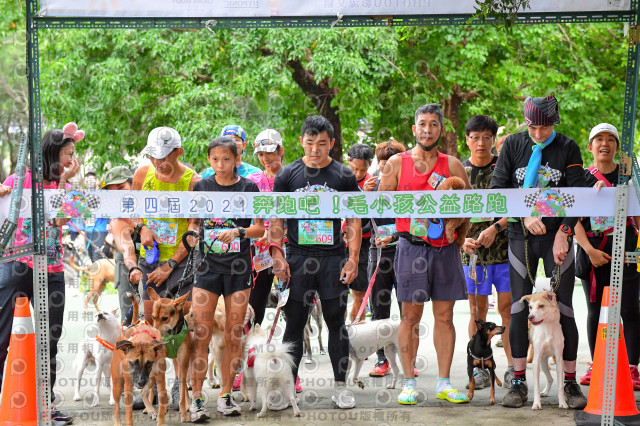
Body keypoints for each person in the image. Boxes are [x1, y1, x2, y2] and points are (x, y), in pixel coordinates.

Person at [490, 95, 587, 409]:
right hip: (521, 235)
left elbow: (578, 195)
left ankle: (569, 382)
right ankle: (518, 382)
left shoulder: (568, 147)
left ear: (554, 124)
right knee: (520, 309)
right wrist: (524, 214)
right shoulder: (513, 145)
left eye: (545, 128)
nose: (538, 133)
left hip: (557, 235)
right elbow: (498, 190)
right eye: (533, 127)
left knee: (565, 309)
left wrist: (564, 231)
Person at [378, 103, 472, 405]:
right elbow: (381, 205)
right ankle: (408, 383)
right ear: (414, 128)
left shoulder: (453, 165)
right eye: (422, 124)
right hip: (409, 247)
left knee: (445, 317)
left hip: (444, 250)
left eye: (433, 124)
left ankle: (444, 383)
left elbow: (469, 206)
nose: (427, 129)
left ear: (441, 129)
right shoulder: (395, 163)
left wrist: (456, 235)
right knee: (409, 317)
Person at [269, 115, 361, 409]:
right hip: (297, 258)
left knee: (337, 322)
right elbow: (276, 217)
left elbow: (355, 218)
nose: (315, 149)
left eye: (322, 143)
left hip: (333, 258)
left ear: (332, 144)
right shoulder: (286, 175)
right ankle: (288, 391)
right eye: (310, 143)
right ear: (301, 142)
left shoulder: (344, 176)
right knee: (294, 323)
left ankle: (340, 386)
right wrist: (277, 254)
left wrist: (354, 258)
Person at [0, 123, 83, 426]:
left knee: (50, 340)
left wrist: (63, 181)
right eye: (67, 154)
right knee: (3, 335)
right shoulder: (17, 180)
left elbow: (60, 221)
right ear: (52, 153)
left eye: (73, 155)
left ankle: (45, 407)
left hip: (52, 269)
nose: (72, 160)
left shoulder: (64, 186)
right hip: (16, 264)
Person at [188, 136, 264, 419]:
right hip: (207, 268)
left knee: (234, 334)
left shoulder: (249, 187)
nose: (220, 165)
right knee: (201, 334)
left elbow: (259, 229)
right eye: (215, 159)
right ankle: (196, 399)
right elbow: (194, 223)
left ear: (237, 159)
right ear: (209, 160)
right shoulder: (202, 187)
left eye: (227, 159)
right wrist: (195, 236)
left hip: (238, 269)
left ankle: (225, 396)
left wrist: (238, 232)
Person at [131, 126, 200, 409]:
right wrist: (142, 226)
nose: (158, 163)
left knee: (180, 330)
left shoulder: (192, 181)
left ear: (178, 152)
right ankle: (149, 389)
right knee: (150, 328)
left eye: (164, 156)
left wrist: (171, 264)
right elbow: (133, 207)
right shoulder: (141, 174)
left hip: (182, 264)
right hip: (150, 259)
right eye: (153, 156)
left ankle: (178, 388)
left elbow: (195, 228)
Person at [573, 123, 640, 390]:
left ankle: (632, 368)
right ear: (590, 147)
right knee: (595, 311)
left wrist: (634, 251)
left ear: (616, 147)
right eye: (598, 139)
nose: (604, 144)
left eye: (610, 139)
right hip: (593, 250)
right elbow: (572, 218)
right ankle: (596, 364)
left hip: (626, 251)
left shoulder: (630, 177)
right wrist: (589, 251)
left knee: (629, 310)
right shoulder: (581, 178)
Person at [460, 115, 513, 389]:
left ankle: (515, 370)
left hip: (504, 252)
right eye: (475, 137)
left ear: (493, 139)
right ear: (467, 139)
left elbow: (516, 207)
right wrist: (462, 240)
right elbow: (448, 212)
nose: (480, 143)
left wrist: (495, 228)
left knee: (508, 310)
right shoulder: (459, 172)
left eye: (486, 138)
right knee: (477, 314)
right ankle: (479, 368)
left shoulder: (504, 169)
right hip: (473, 256)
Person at [365, 140, 407, 377]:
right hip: (378, 253)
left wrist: (393, 236)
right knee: (378, 309)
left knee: (407, 310)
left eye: (392, 163)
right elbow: (358, 223)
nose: (387, 168)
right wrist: (365, 197)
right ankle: (382, 360)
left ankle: (407, 358)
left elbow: (418, 224)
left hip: (405, 252)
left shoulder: (409, 188)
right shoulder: (371, 188)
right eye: (383, 163)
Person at [246, 129, 285, 326]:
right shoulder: (253, 181)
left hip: (288, 246)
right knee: (257, 297)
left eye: (269, 153)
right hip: (260, 249)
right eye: (260, 154)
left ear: (281, 151)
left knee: (292, 299)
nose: (265, 158)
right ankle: (255, 341)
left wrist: (276, 233)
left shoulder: (291, 178)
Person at [100, 166, 141, 325]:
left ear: (133, 186)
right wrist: (133, 268)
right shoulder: (117, 218)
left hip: (155, 263)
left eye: (121, 188)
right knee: (129, 317)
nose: (118, 194)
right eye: (112, 192)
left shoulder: (149, 204)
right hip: (127, 265)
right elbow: (126, 249)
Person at [346, 143, 376, 322]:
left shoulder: (373, 184)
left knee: (359, 294)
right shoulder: (339, 180)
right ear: (348, 161)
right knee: (337, 295)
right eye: (354, 168)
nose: (358, 173)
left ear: (370, 165)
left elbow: (372, 220)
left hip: (364, 243)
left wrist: (365, 196)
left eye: (362, 170)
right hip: (339, 242)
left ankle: (356, 335)